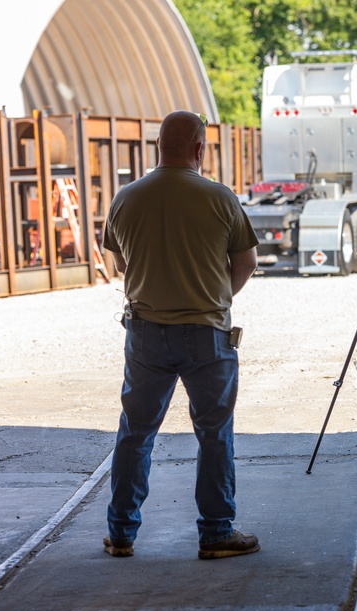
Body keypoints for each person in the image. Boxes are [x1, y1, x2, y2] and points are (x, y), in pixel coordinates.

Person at [101, 110, 261, 558]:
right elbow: (245, 262)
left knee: (135, 433)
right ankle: (216, 534)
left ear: (157, 147)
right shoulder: (219, 197)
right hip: (206, 333)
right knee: (214, 434)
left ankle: (120, 533)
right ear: (199, 148)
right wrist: (216, 297)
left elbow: (119, 263)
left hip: (146, 333)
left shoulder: (127, 198)